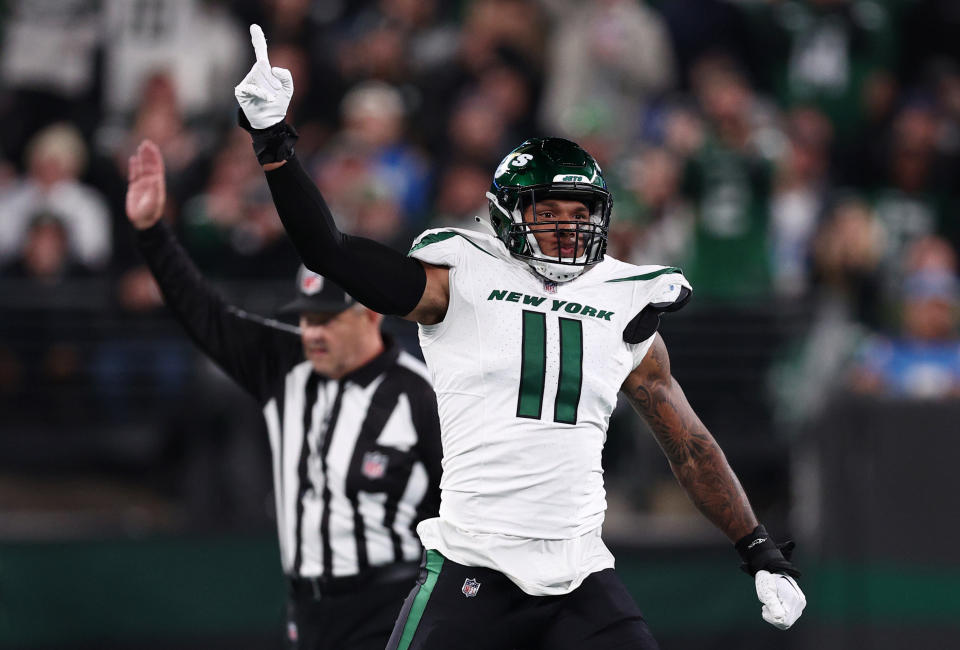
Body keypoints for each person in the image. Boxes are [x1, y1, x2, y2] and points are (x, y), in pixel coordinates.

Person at [235, 24, 806, 649]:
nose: (567, 228)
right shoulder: (460, 278)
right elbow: (330, 250)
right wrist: (273, 139)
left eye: (580, 212)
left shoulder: (623, 299)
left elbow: (689, 444)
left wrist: (758, 547)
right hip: (474, 562)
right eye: (547, 211)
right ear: (509, 215)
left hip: (581, 571)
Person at [125, 139, 443, 650]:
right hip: (304, 611)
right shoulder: (287, 367)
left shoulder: (419, 395)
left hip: (390, 609)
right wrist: (152, 233)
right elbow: (207, 316)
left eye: (327, 320)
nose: (312, 333)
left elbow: (460, 508)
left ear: (371, 313)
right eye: (306, 318)